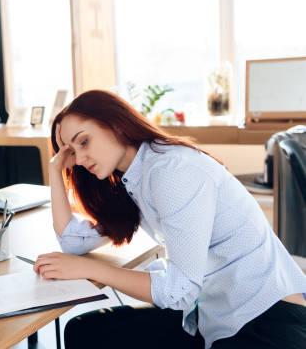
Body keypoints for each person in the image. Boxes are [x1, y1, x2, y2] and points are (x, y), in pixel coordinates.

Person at [33, 90, 306, 349]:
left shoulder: (171, 170)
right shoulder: (133, 177)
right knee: (85, 330)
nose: (79, 158)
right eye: (70, 152)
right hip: (214, 316)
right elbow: (73, 240)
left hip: (268, 319)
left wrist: (90, 269)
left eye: (83, 141)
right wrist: (55, 169)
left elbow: (179, 291)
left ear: (114, 124)